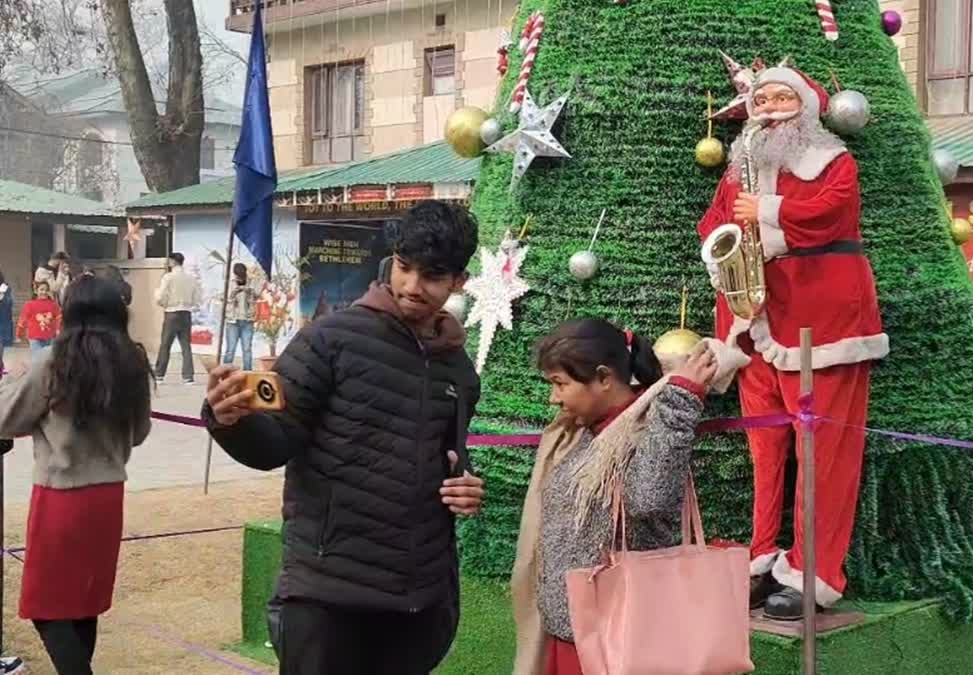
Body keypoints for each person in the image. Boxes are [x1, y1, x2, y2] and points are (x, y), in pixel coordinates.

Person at [202, 200, 486, 675]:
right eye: (404, 267)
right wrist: (232, 420)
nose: (412, 286)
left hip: (418, 599)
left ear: (459, 281)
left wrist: (466, 483)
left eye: (432, 275)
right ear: (392, 260)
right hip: (326, 594)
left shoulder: (458, 366)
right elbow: (274, 444)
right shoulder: (330, 339)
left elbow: (445, 459)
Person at [695, 64, 889, 618]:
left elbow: (830, 215)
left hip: (822, 321)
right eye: (763, 99)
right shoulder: (739, 167)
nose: (771, 106)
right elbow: (715, 223)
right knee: (764, 448)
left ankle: (815, 571)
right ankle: (762, 557)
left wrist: (769, 212)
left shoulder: (833, 160)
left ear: (805, 105)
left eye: (783, 97)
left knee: (822, 453)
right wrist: (724, 257)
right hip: (753, 317)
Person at [510, 318, 723, 674]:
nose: (553, 398)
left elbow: (648, 499)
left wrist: (680, 405)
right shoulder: (586, 431)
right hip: (579, 629)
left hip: (618, 637)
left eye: (560, 384)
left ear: (605, 378)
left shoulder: (646, 429)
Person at [0, 275, 153, 675]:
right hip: (108, 495)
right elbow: (139, 434)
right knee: (84, 602)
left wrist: (14, 381)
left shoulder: (54, 362)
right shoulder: (133, 362)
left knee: (46, 606)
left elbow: (5, 417)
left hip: (61, 498)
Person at [153, 252, 201, 384]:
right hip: (186, 313)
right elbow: (198, 298)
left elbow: (161, 296)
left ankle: (159, 375)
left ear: (173, 261)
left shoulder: (168, 277)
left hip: (171, 313)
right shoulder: (191, 278)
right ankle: (188, 377)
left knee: (165, 345)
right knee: (186, 346)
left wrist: (160, 301)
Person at [223, 263, 256, 371]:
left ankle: (248, 373)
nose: (240, 278)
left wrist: (250, 291)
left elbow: (257, 296)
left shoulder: (251, 282)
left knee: (247, 349)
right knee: (230, 349)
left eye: (241, 276)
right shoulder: (230, 283)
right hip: (233, 320)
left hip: (247, 320)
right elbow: (224, 299)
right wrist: (233, 293)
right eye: (238, 276)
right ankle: (225, 373)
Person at [17, 281, 62, 355]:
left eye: (46, 290)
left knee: (48, 362)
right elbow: (22, 321)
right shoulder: (29, 305)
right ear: (36, 291)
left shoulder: (54, 305)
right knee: (38, 361)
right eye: (41, 289)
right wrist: (19, 334)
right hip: (35, 339)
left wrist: (59, 331)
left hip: (50, 339)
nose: (44, 292)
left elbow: (60, 319)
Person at [0, 270, 12, 373]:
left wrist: (3, 295)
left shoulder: (5, 287)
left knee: (0, 344)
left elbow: (9, 302)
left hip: (2, 320)